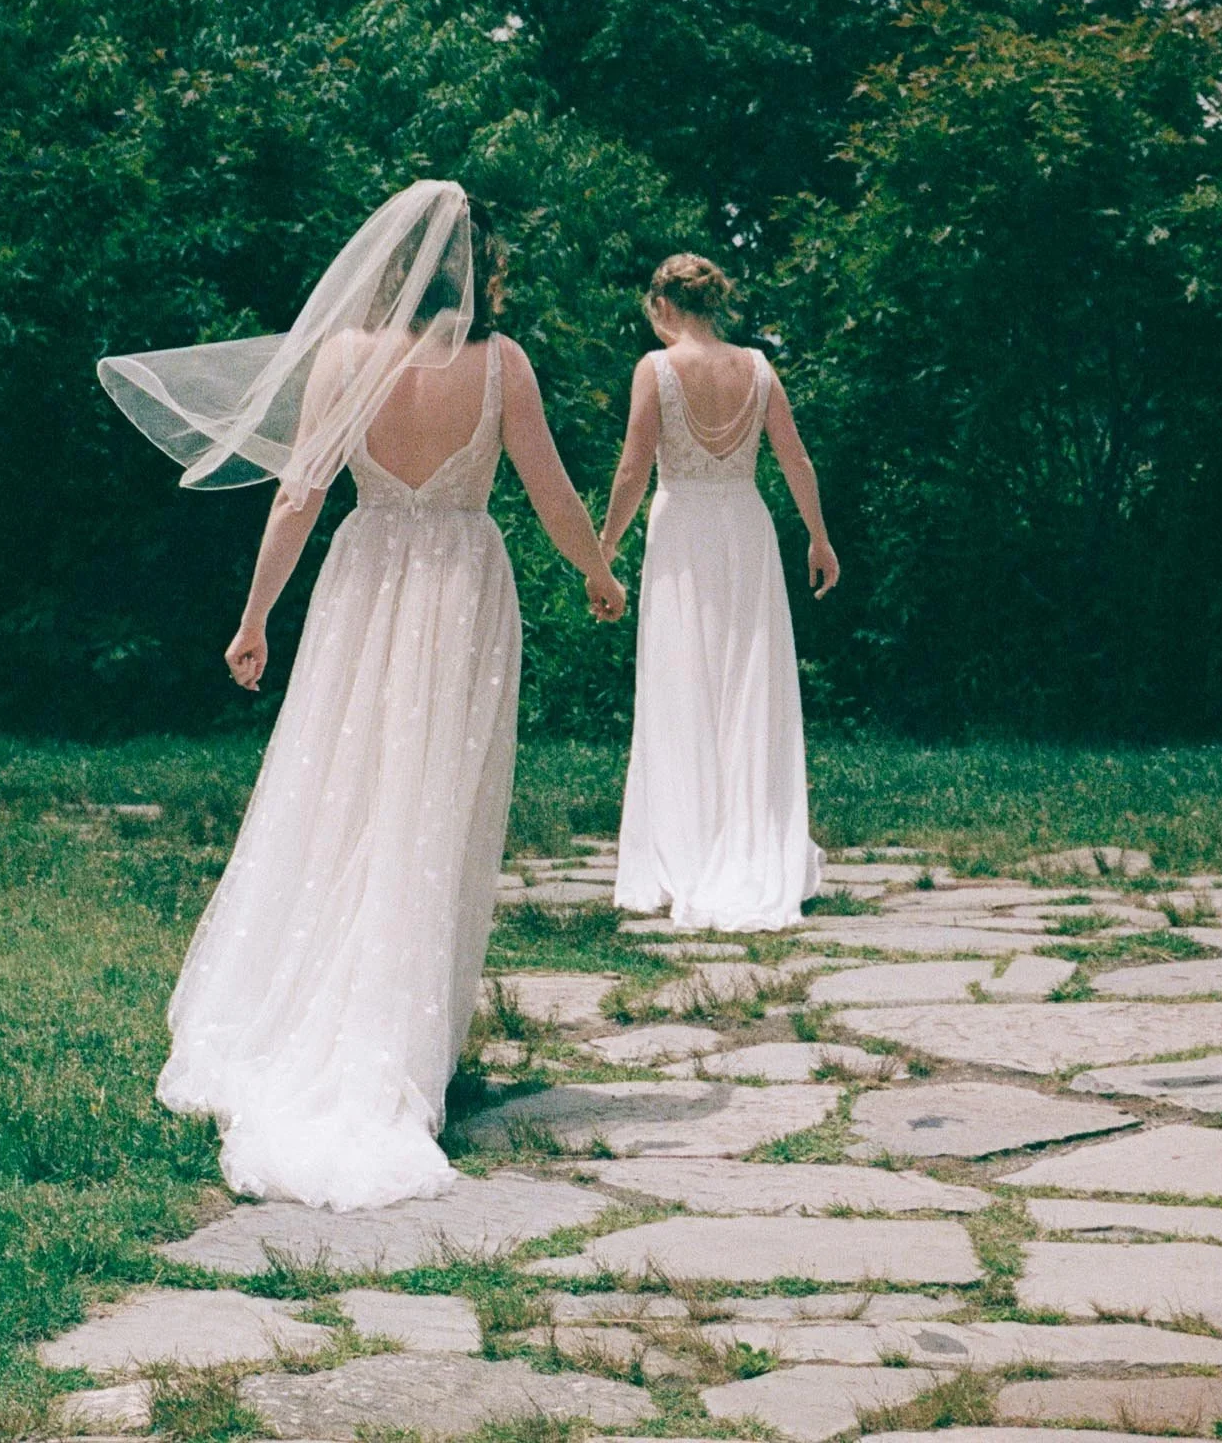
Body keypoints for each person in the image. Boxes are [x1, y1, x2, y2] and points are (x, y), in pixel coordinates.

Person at [98, 182, 624, 1210]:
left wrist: (254, 619)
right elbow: (553, 491)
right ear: (480, 270)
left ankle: (321, 1014)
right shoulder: (501, 366)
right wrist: (597, 574)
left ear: (388, 269)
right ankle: (398, 1037)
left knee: (340, 785)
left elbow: (298, 496)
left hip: (363, 582)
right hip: (462, 587)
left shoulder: (342, 358)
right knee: (430, 802)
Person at [599, 253, 837, 932]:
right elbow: (796, 458)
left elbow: (631, 467)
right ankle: (749, 840)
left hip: (682, 531)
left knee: (684, 681)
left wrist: (605, 551)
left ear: (663, 306)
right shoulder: (759, 368)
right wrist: (818, 537)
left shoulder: (656, 368)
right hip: (746, 526)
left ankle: (690, 845)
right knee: (747, 681)